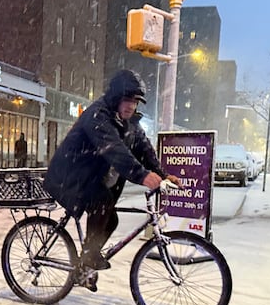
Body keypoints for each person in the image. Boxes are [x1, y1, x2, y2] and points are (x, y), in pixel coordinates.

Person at [43, 69, 181, 292]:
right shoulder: (97, 116)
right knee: (102, 204)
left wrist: (163, 175)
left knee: (111, 218)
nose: (131, 106)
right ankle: (88, 258)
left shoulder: (130, 123)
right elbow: (114, 150)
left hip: (90, 179)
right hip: (69, 177)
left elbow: (145, 151)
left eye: (136, 101)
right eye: (127, 100)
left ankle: (86, 264)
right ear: (116, 98)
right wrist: (142, 175)